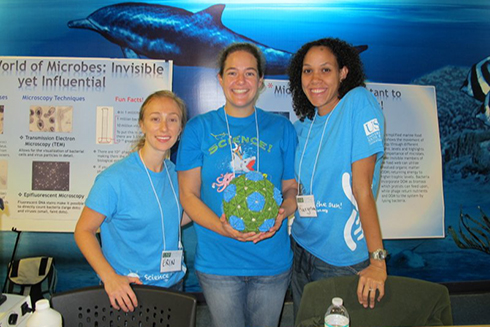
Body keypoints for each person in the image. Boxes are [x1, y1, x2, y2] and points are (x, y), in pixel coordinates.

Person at [176, 42, 298, 327]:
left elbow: (291, 187)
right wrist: (224, 229)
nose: (240, 82)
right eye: (232, 73)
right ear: (220, 79)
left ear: (261, 81)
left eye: (249, 73)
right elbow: (189, 196)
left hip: (272, 263)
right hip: (219, 263)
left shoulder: (282, 129)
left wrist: (283, 212)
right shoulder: (199, 128)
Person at [287, 37, 387, 316]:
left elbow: (362, 188)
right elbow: (296, 189)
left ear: (344, 72)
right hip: (301, 247)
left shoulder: (358, 102)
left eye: (325, 69)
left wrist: (377, 261)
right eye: (307, 70)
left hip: (339, 258)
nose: (315, 79)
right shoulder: (302, 126)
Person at [74, 90, 190, 312]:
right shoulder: (113, 179)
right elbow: (83, 231)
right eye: (155, 119)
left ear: (180, 128)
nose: (164, 128)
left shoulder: (177, 174)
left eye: (172, 119)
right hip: (129, 290)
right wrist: (110, 278)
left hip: (173, 284)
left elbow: (173, 218)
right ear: (141, 125)